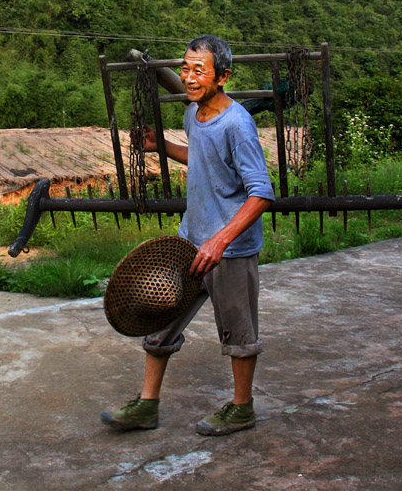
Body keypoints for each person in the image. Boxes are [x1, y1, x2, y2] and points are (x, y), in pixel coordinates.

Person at [100, 35, 275, 436]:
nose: (190, 77)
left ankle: (242, 408)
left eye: (200, 70)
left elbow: (261, 193)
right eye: (185, 68)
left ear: (222, 76)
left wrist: (220, 241)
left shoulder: (237, 125)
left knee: (239, 333)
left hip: (229, 251)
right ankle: (147, 406)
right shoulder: (193, 115)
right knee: (159, 319)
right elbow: (204, 158)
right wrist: (161, 145)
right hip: (189, 243)